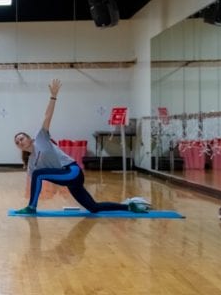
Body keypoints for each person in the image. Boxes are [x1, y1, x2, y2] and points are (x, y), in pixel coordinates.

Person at [13, 78, 141, 215]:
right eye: (17, 142)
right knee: (94, 208)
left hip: (72, 172)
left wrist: (53, 96)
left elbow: (47, 116)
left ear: (29, 139)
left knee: (39, 174)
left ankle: (31, 207)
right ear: (19, 147)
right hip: (68, 181)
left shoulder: (40, 138)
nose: (20, 142)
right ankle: (128, 206)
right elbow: (35, 183)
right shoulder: (31, 163)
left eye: (21, 138)